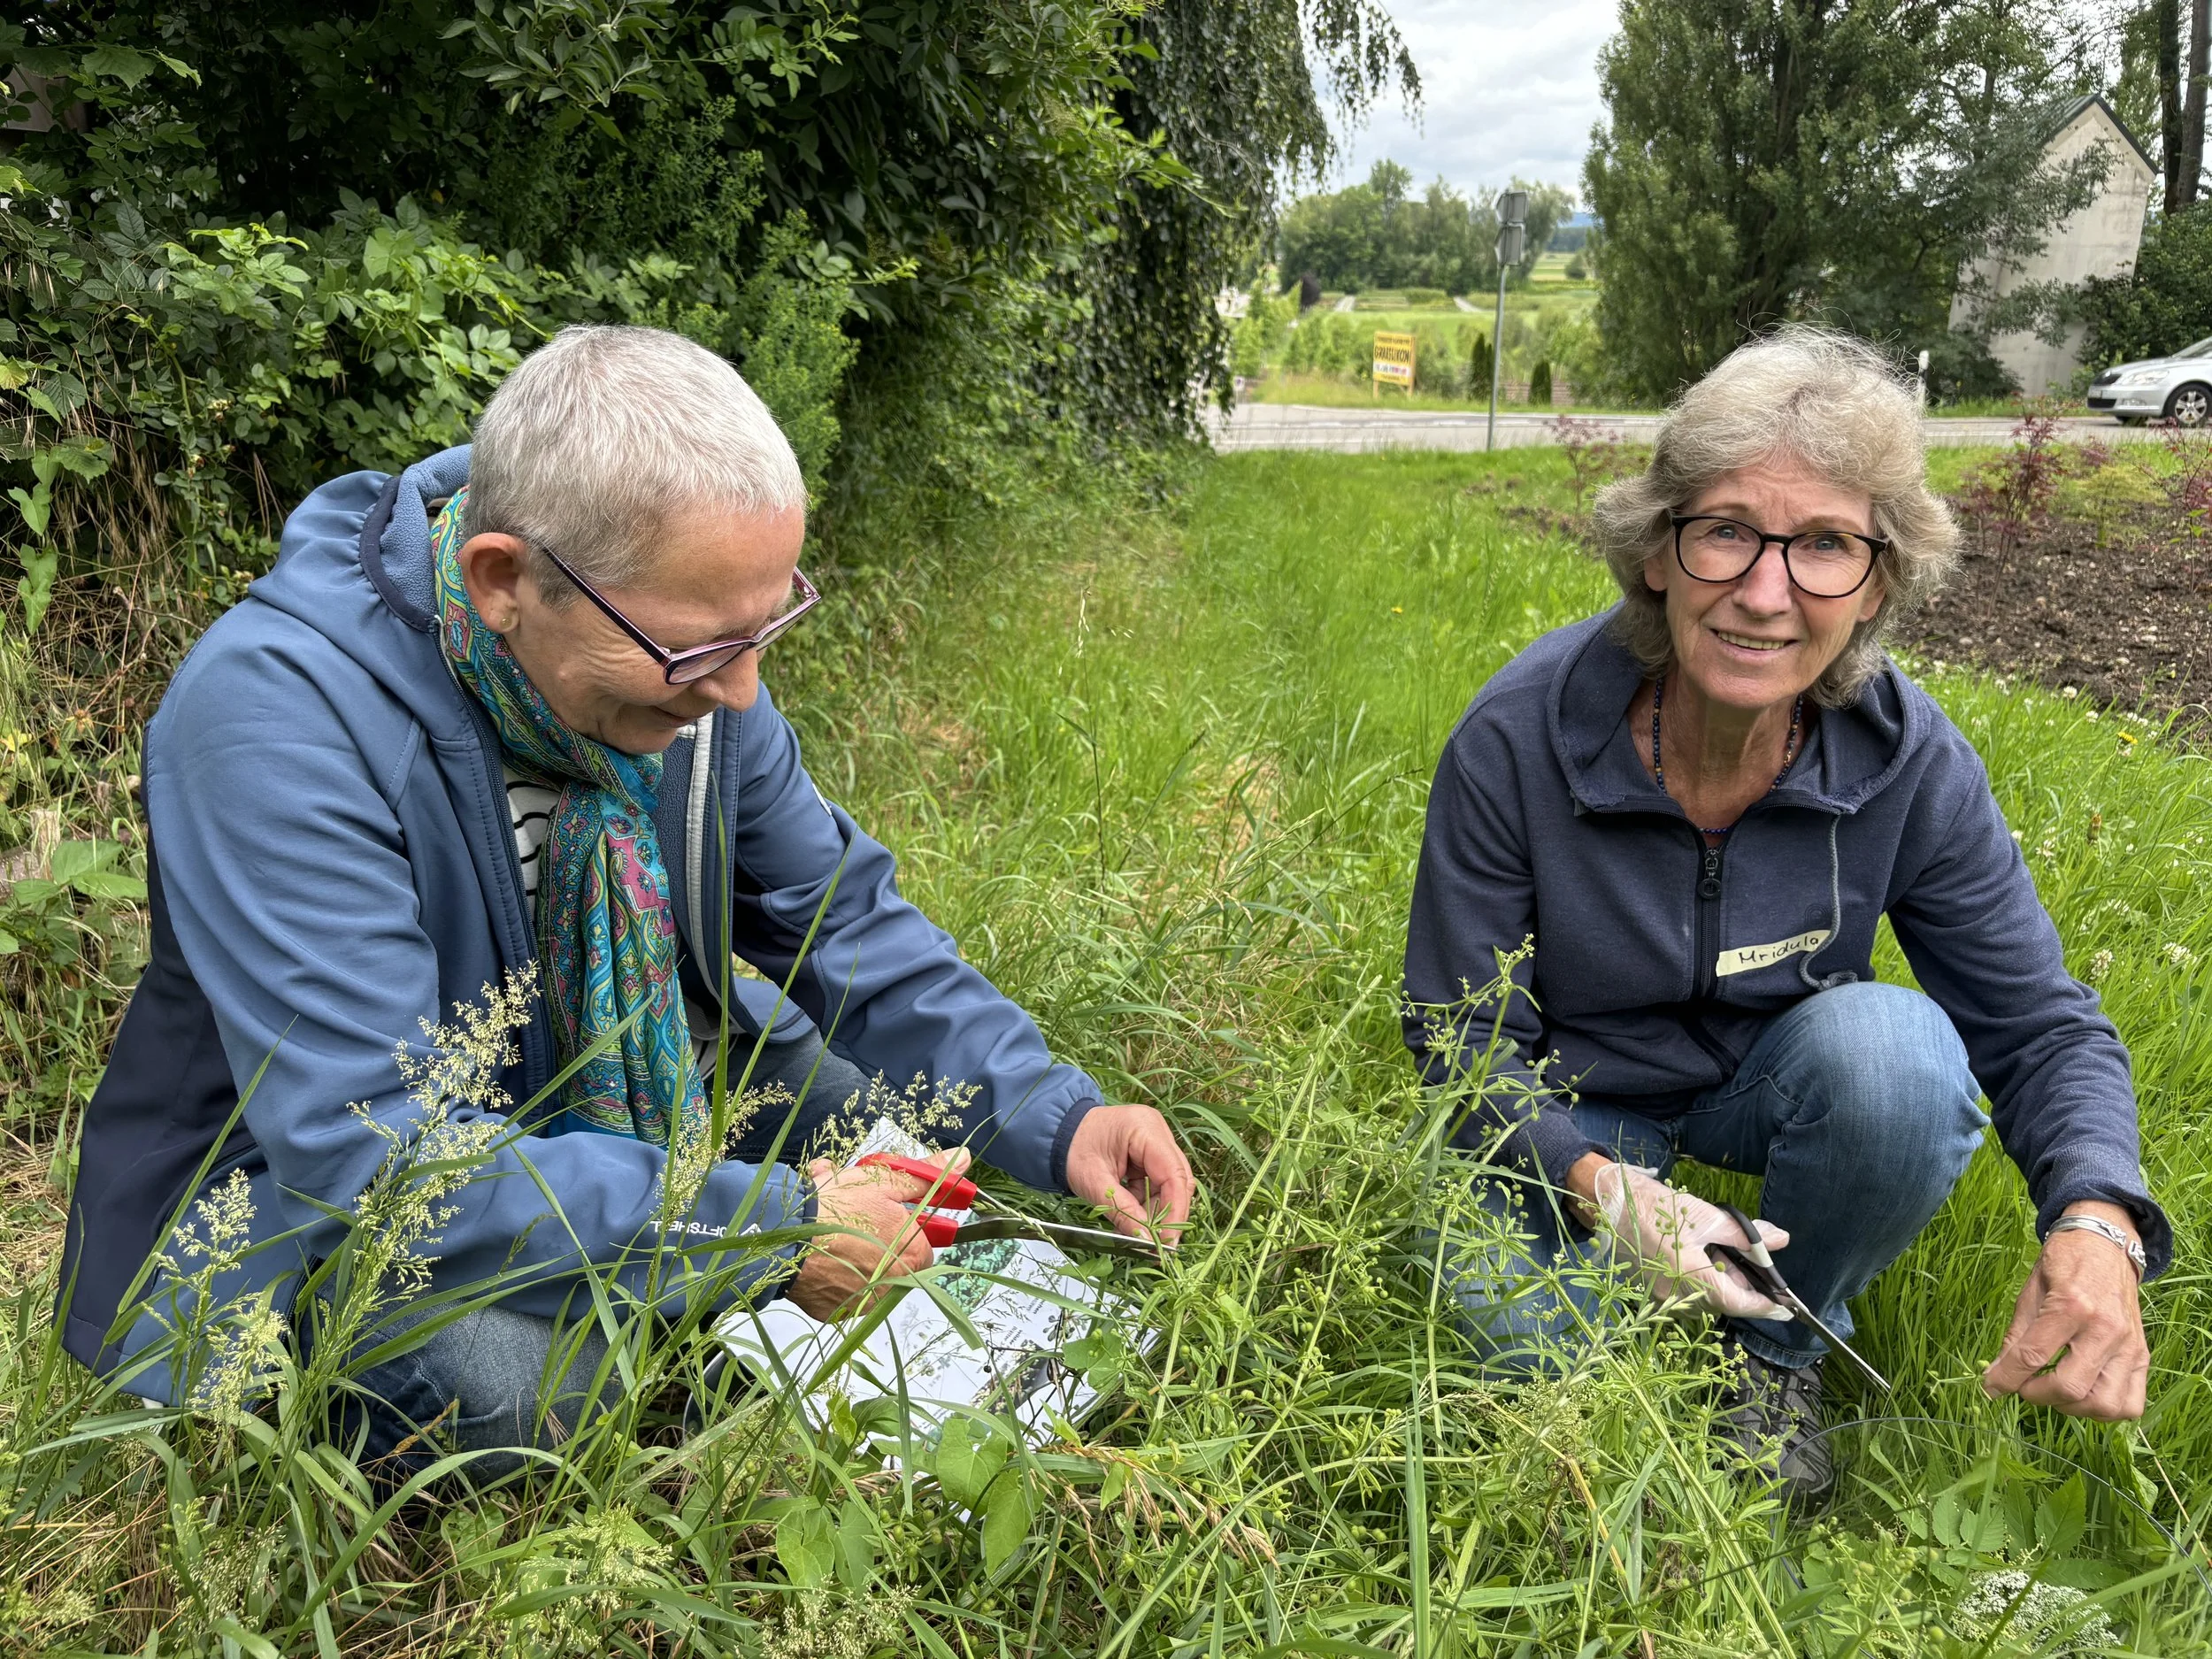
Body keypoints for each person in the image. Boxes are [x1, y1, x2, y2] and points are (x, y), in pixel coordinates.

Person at [59, 324, 1195, 1468]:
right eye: (704, 650)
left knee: (884, 1130)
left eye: (769, 627)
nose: (745, 692)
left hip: (592, 1089)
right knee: (521, 1394)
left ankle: (707, 1297)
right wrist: (770, 1230)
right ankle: (678, 1337)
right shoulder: (272, 723)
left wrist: (1058, 1114)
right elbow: (378, 1154)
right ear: (505, 580)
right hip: (300, 1207)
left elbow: (839, 919)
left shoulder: (690, 674)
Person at [1402, 327, 2166, 1504]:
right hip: (1571, 1102)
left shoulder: (1905, 760)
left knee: (1903, 1060)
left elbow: (2040, 1025)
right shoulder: (1517, 741)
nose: (1766, 593)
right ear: (1659, 551)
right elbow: (1457, 1039)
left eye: (1824, 546)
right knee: (1546, 1378)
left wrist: (2099, 1217)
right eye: (1726, 532)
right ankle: (1644, 1297)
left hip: (1772, 1078)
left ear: (1878, 581)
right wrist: (1604, 1186)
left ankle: (1777, 1350)